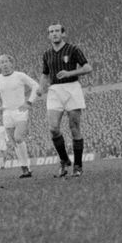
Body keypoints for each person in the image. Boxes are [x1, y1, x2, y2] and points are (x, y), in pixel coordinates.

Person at [38, 23, 92, 178]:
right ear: (48, 35)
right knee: (53, 128)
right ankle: (63, 159)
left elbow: (88, 68)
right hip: (54, 90)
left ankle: (78, 165)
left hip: (72, 88)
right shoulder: (47, 54)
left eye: (57, 31)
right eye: (51, 32)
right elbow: (45, 74)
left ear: (63, 34)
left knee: (74, 127)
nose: (54, 34)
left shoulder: (73, 49)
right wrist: (41, 87)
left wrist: (69, 73)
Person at [0, 53, 38, 178]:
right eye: (1, 62)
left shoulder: (20, 75)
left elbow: (35, 86)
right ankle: (25, 168)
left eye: (6, 61)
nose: (4, 64)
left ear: (11, 63)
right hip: (7, 113)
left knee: (18, 137)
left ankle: (26, 165)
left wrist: (29, 102)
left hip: (20, 111)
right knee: (14, 141)